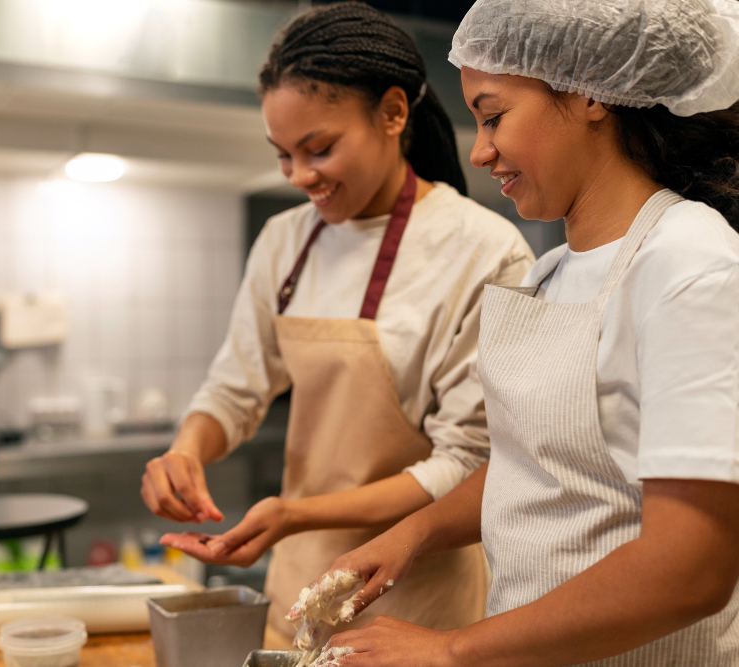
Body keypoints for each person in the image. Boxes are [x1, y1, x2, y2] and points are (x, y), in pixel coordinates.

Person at [308, 0, 739, 664]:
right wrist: (413, 534)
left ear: (590, 91)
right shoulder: (547, 275)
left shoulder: (689, 265)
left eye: (493, 116)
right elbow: (534, 463)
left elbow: (691, 567)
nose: (479, 150)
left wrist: (451, 649)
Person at [139, 1, 534, 646]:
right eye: (282, 156)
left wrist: (294, 513)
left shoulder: (483, 252)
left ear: (393, 114)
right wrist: (187, 449)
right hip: (299, 589)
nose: (300, 177)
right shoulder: (283, 241)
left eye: (318, 148)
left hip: (421, 604)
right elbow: (234, 389)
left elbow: (465, 463)